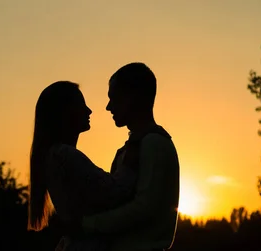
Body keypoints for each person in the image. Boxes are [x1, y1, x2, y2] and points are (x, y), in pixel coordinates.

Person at [78, 62, 181, 251]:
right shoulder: (137, 146)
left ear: (133, 97)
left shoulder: (154, 144)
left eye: (114, 98)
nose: (109, 107)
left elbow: (144, 208)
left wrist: (87, 224)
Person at [27, 81, 138, 251]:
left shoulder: (55, 156)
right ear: (64, 112)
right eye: (81, 105)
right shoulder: (65, 156)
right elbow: (114, 193)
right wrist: (129, 163)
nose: (89, 111)